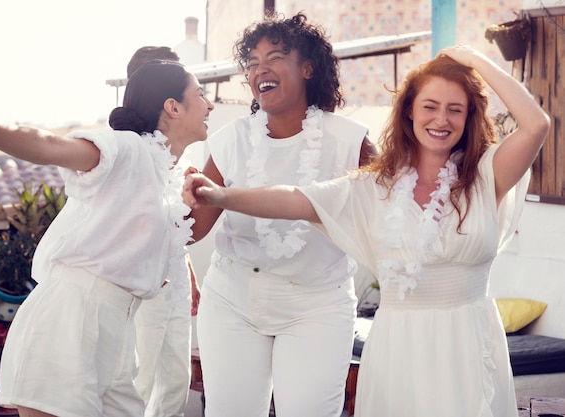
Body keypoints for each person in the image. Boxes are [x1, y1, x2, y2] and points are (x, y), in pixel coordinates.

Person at [182, 45, 550, 417]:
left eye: (455, 109)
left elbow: (537, 124)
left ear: (469, 117)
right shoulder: (376, 187)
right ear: (409, 111)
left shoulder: (488, 175)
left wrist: (475, 62)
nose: (442, 119)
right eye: (430, 106)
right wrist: (221, 195)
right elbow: (295, 199)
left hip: (467, 346)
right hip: (398, 347)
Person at [0, 59, 214, 417]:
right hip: (72, 321)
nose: (210, 104)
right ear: (172, 107)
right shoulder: (126, 148)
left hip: (118, 332)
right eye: (201, 94)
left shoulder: (164, 177)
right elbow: (50, 146)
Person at [187, 12, 377, 417]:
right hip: (232, 299)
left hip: (317, 304)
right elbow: (193, 229)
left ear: (307, 68)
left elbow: (385, 212)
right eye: (253, 63)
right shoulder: (231, 139)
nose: (261, 70)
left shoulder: (350, 142)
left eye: (274, 57)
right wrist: (176, 196)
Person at [126, 45, 201, 417]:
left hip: (175, 277)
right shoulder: (131, 153)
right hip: (145, 281)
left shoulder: (177, 153)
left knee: (176, 380)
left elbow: (172, 224)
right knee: (141, 378)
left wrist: (188, 271)